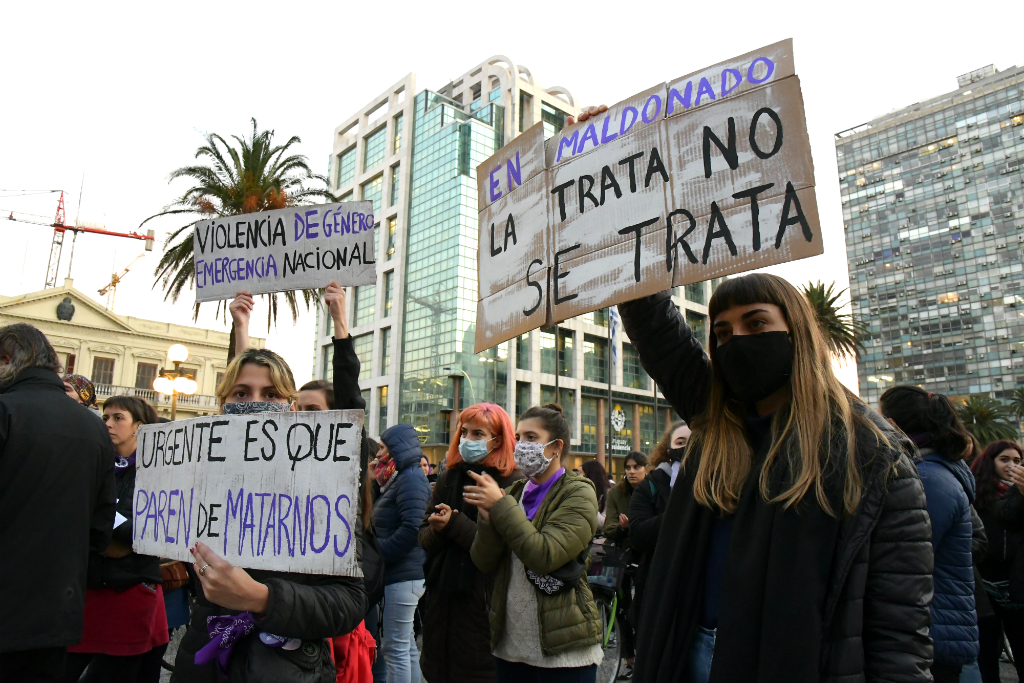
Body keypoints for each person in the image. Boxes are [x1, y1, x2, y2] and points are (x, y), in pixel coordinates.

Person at [616, 274, 933, 683]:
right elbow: (657, 332)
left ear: (796, 332)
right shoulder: (717, 421)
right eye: (723, 333)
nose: (738, 341)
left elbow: (899, 629)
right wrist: (632, 258)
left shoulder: (872, 453)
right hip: (688, 654)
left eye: (756, 323)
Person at [172, 335, 368, 681]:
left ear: (290, 407)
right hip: (203, 660)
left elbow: (349, 601)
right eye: (241, 394)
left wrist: (263, 599)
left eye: (271, 394)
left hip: (287, 668)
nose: (254, 404)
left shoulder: (323, 488)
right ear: (223, 404)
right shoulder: (199, 482)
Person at [0, 324, 116, 683]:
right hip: (56, 613)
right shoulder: (94, 428)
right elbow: (101, 523)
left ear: (6, 360)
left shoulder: (5, 410)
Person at [468, 403, 604, 683]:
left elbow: (545, 555)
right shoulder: (513, 492)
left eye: (532, 437)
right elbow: (483, 561)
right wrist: (488, 521)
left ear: (556, 447)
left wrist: (501, 508)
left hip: (563, 649)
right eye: (518, 437)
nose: (522, 446)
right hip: (511, 648)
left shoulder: (578, 493)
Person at [64, 396, 169, 683]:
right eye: (105, 417)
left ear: (139, 426)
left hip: (130, 589)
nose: (108, 424)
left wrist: (101, 516)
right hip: (87, 587)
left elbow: (147, 532)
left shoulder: (157, 472)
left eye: (118, 418)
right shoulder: (93, 464)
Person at [418, 403, 524, 683]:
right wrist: (438, 528)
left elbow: (503, 548)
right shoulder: (448, 477)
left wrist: (454, 524)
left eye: (478, 434)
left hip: (483, 602)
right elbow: (424, 537)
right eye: (464, 432)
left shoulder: (514, 483)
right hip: (441, 601)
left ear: (497, 440)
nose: (467, 439)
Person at [879, 386, 980, 682]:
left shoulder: (929, 478)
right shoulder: (932, 470)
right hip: (933, 626)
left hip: (933, 630)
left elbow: (908, 555)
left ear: (893, 425)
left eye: (879, 419)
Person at [371, 424, 432, 683]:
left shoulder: (410, 479)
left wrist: (379, 554)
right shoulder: (400, 479)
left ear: (396, 448)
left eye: (382, 448)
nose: (378, 454)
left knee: (395, 649)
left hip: (402, 576)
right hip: (402, 574)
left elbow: (411, 529)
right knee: (405, 646)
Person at [626, 422, 688, 631]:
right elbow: (638, 535)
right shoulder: (650, 486)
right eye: (681, 442)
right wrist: (682, 506)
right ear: (668, 450)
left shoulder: (718, 484)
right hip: (660, 590)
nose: (687, 447)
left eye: (694, 441)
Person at [970, 440, 1024, 682]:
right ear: (990, 462)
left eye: (1017, 461)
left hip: (1016, 586)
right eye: (1005, 459)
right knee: (987, 654)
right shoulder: (977, 492)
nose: (1011, 465)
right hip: (985, 585)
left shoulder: (1018, 494)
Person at [603, 451, 647, 680]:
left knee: (643, 607)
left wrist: (636, 527)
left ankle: (645, 657)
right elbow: (609, 526)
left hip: (646, 553)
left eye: (636, 467)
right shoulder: (616, 493)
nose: (631, 471)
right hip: (622, 552)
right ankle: (630, 658)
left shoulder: (652, 489)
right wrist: (622, 528)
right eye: (628, 468)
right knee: (621, 606)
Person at [581, 460, 610, 527]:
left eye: (582, 474)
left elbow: (604, 522)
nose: (578, 477)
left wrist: (587, 502)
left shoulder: (608, 494)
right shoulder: (576, 493)